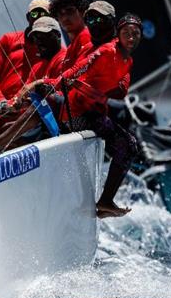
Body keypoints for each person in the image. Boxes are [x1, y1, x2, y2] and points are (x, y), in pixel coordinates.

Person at [27, 12, 143, 218]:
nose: (131, 38)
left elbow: (121, 89)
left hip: (92, 112)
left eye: (136, 34)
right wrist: (60, 83)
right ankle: (105, 201)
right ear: (118, 33)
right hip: (76, 113)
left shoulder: (129, 60)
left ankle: (105, 200)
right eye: (127, 33)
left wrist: (112, 90)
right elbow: (78, 69)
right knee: (128, 144)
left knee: (129, 145)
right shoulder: (107, 51)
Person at [0, 17, 64, 150]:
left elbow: (62, 89)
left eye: (44, 36)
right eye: (36, 38)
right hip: (36, 120)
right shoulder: (37, 67)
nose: (39, 42)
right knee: (0, 126)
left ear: (57, 35)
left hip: (59, 123)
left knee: (39, 104)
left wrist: (39, 84)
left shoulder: (63, 59)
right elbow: (18, 100)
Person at [0, 0, 49, 120]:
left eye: (43, 14)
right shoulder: (9, 40)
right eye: (34, 14)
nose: (38, 17)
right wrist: (0, 100)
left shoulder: (52, 49)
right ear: (28, 17)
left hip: (23, 113)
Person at [49, 0, 91, 70]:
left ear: (82, 11)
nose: (65, 18)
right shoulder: (70, 49)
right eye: (60, 14)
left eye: (70, 11)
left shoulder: (86, 36)